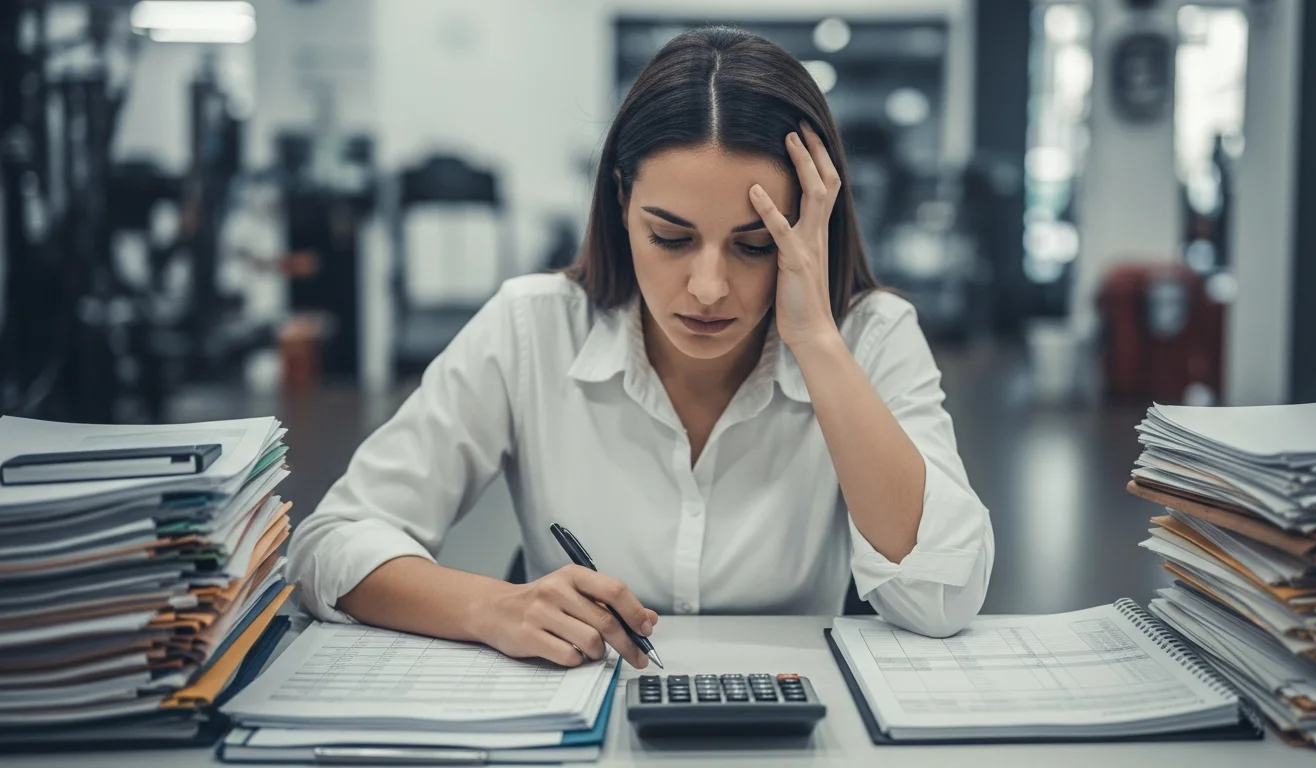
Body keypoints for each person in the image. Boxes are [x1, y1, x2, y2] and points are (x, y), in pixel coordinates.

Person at [288, 27, 994, 671]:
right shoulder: (531, 328)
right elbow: (331, 544)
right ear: (622, 200)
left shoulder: (873, 336)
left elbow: (943, 596)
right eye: (671, 238)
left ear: (809, 225)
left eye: (755, 245)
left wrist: (815, 340)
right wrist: (492, 606)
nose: (709, 287)